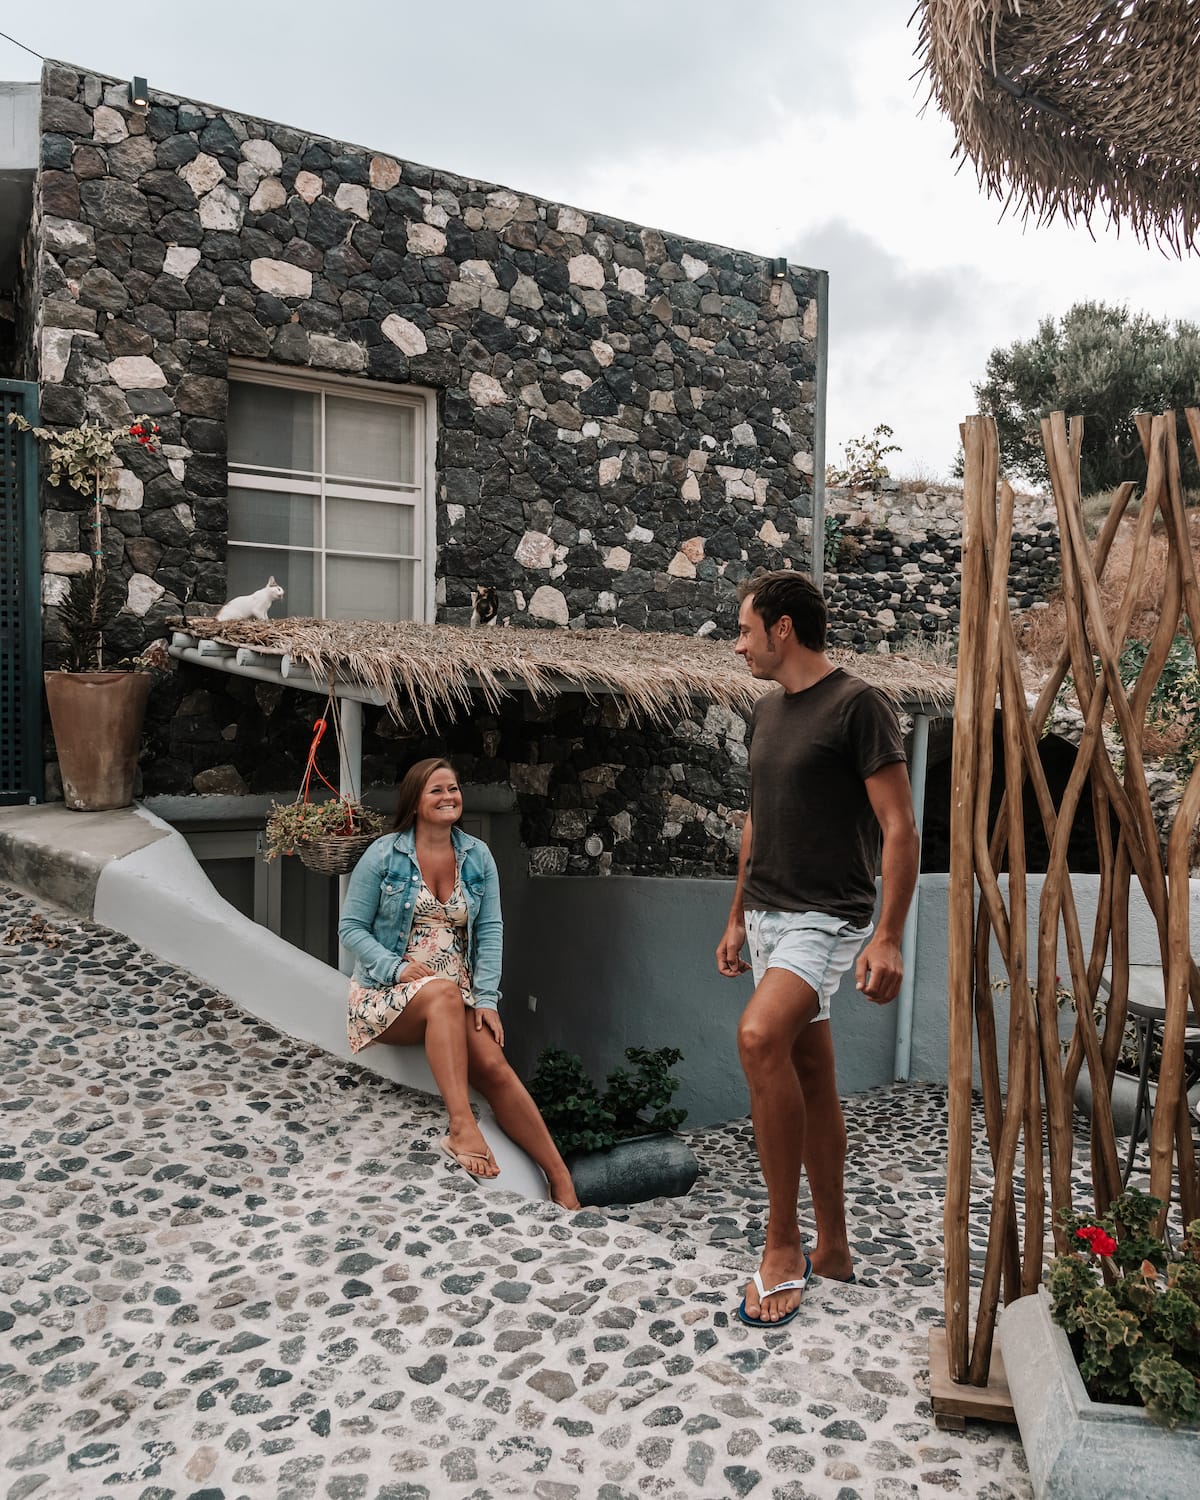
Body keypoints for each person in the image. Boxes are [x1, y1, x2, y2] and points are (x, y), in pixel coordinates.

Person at [716, 571, 918, 1327]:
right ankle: (834, 1247)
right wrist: (736, 917)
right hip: (768, 916)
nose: (738, 645)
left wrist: (889, 935)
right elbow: (756, 823)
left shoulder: (858, 705)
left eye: (745, 630)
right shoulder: (767, 712)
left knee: (758, 1038)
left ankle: (782, 1244)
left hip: (826, 916)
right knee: (812, 1073)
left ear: (783, 629)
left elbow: (899, 827)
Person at [338, 757, 581, 1210]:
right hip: (386, 994)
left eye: (453, 788)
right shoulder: (384, 854)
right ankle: (461, 1126)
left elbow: (490, 930)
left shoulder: (477, 855)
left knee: (494, 1065)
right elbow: (350, 927)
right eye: (437, 790)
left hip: (457, 996)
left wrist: (486, 1000)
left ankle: (560, 1179)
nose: (449, 797)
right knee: (443, 994)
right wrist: (394, 968)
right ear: (415, 801)